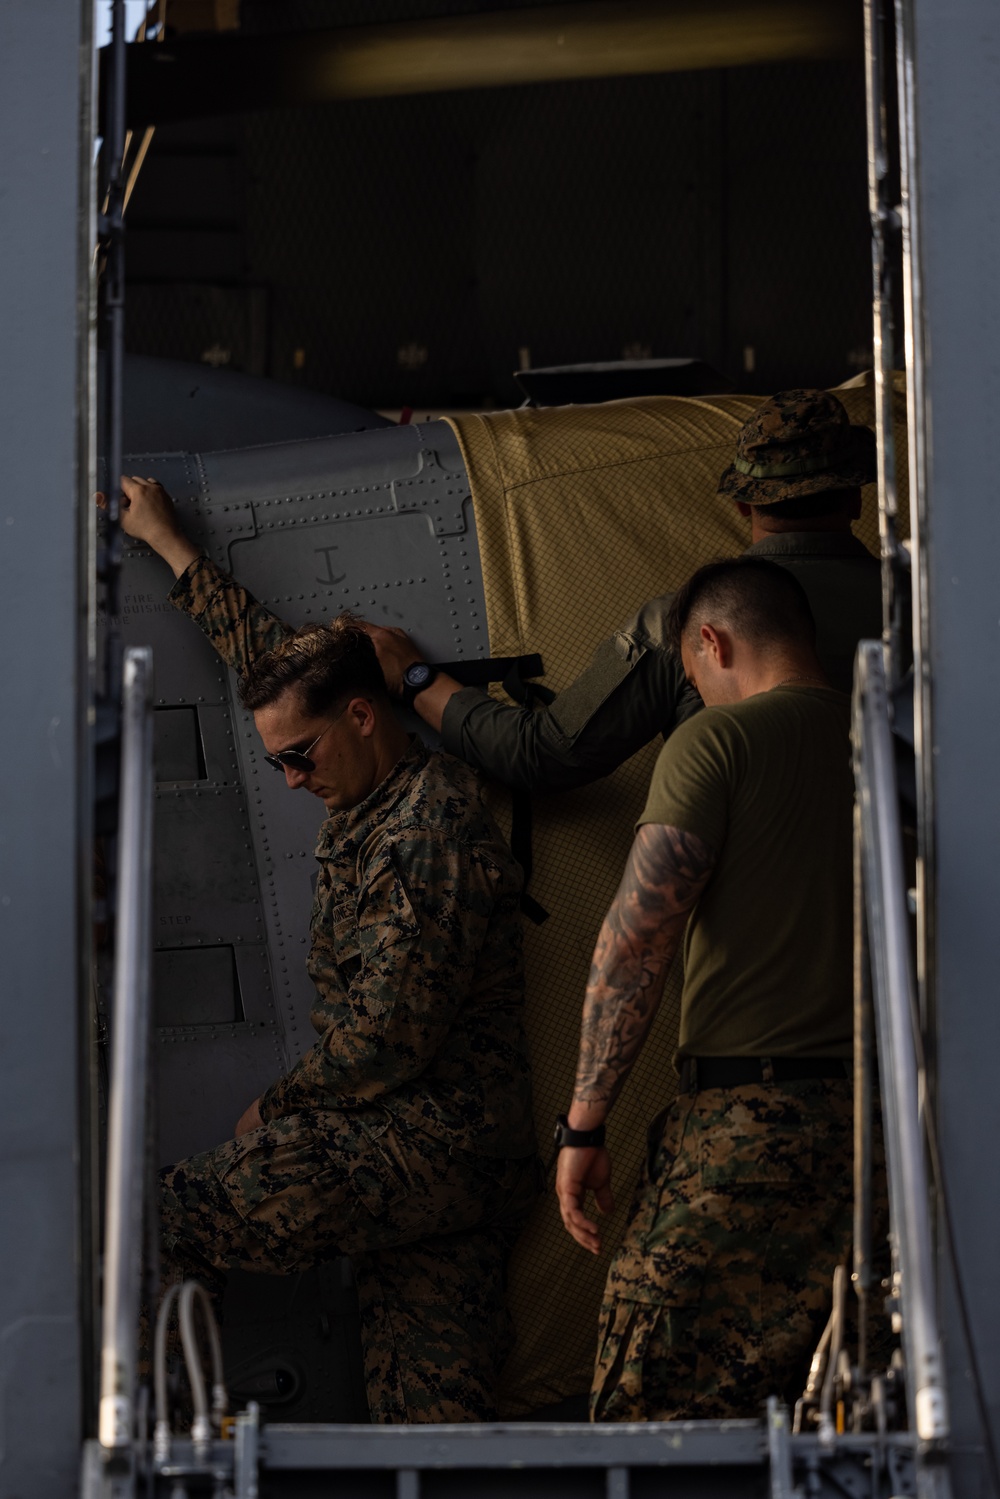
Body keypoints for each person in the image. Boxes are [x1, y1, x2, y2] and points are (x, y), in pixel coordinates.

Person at [105, 477, 541, 1424]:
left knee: (165, 1218)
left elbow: (392, 1031)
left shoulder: (430, 824)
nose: (291, 779)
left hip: (422, 1141)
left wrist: (280, 1102)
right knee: (429, 1419)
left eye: (299, 756)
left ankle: (159, 1447)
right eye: (276, 765)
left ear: (363, 717)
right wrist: (174, 549)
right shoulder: (355, 767)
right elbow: (281, 670)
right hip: (441, 1164)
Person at [553, 556, 878, 1421]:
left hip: (746, 1137)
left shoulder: (718, 739)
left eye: (697, 677)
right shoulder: (896, 743)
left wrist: (583, 1122)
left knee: (649, 1425)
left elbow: (637, 940)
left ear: (711, 641)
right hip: (886, 1144)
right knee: (845, 1420)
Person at [363, 389, 882, 792]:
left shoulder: (685, 624)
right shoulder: (928, 617)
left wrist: (417, 679)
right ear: (857, 498)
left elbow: (544, 754)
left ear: (744, 506)